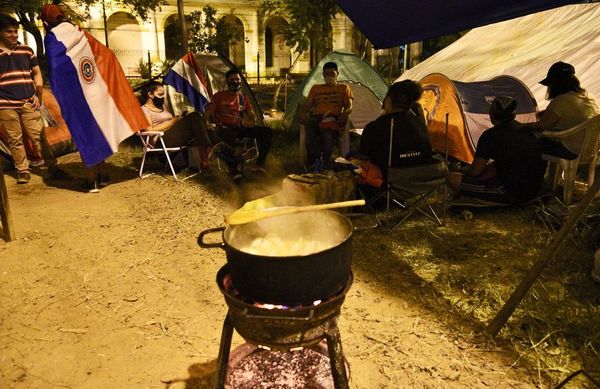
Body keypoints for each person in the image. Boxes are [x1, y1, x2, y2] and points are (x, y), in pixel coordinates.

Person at [41, 4, 149, 193]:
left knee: (84, 135)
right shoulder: (77, 31)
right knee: (97, 131)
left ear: (45, 22)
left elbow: (56, 70)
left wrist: (63, 94)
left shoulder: (52, 39)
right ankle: (103, 174)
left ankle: (92, 182)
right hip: (95, 92)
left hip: (77, 96)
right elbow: (104, 54)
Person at [447, 96, 547, 204]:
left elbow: (475, 172)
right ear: (513, 115)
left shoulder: (490, 136)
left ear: (492, 114)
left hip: (512, 193)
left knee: (451, 178)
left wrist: (459, 170)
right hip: (536, 189)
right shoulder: (526, 130)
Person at [359, 80, 435, 181]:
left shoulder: (375, 127)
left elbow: (365, 154)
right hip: (420, 179)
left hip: (386, 179)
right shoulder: (419, 124)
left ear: (388, 100)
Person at [0, 14, 45, 184]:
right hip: (5, 105)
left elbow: (37, 73)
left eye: (15, 32)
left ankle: (54, 168)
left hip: (28, 100)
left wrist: (38, 95)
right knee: (15, 139)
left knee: (39, 136)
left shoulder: (26, 50)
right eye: (9, 32)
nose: (14, 35)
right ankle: (22, 170)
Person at [205, 69, 272, 179]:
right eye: (232, 80)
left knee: (267, 132)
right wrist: (207, 124)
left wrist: (251, 120)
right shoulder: (219, 96)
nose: (235, 82)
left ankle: (259, 165)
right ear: (227, 82)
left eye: (237, 80)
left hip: (239, 128)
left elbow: (252, 114)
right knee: (227, 135)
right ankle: (233, 170)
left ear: (241, 81)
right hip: (223, 129)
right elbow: (208, 113)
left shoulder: (242, 98)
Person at [140, 81, 216, 169]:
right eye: (160, 94)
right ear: (150, 94)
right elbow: (149, 130)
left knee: (206, 128)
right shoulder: (144, 110)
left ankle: (220, 158)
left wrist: (179, 119)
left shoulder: (162, 107)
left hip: (172, 135)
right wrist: (172, 122)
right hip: (160, 141)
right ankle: (208, 149)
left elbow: (172, 123)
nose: (163, 97)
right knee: (195, 116)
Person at [532, 61, 600, 159]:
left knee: (530, 142)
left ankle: (532, 173)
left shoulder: (561, 100)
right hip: (592, 150)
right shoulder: (588, 96)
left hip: (572, 151)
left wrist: (521, 126)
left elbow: (541, 126)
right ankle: (553, 174)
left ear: (556, 84)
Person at [300, 62, 353, 168]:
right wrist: (304, 113)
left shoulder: (344, 88)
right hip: (316, 117)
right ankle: (314, 162)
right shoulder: (316, 88)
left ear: (337, 73)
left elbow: (349, 106)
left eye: (332, 74)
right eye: (326, 74)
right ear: (323, 75)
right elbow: (307, 106)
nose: (329, 76)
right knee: (310, 133)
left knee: (328, 136)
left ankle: (323, 163)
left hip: (332, 117)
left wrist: (344, 115)